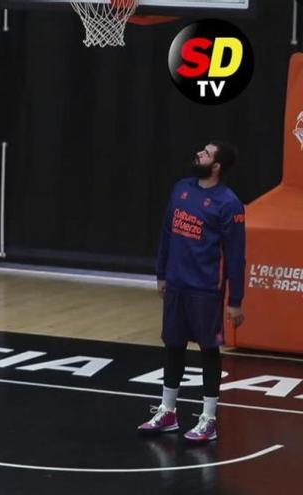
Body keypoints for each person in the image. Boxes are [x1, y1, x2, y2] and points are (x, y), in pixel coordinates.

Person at [138, 140, 246, 443]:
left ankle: (209, 418)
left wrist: (235, 300)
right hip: (176, 285)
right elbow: (167, 233)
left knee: (209, 351)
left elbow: (237, 256)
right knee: (173, 346)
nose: (199, 153)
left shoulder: (229, 203)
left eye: (207, 153)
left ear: (217, 166)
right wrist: (162, 273)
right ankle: (168, 411)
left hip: (206, 291)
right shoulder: (181, 188)